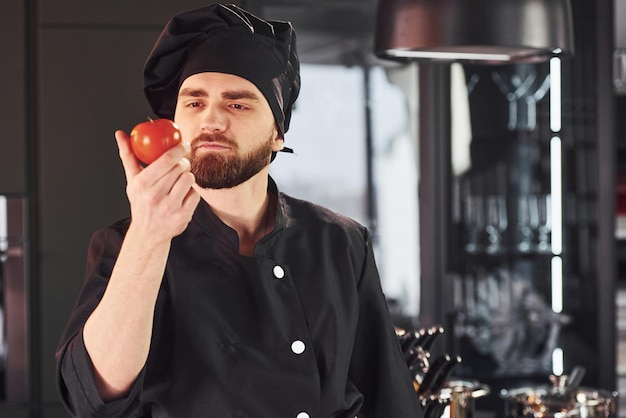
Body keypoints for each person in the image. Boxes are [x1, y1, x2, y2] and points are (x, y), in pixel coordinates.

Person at [55, 4, 421, 417]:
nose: (211, 119)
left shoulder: (340, 241)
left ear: (277, 135)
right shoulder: (126, 242)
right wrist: (150, 235)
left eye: (238, 105)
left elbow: (388, 397)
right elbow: (94, 393)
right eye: (194, 104)